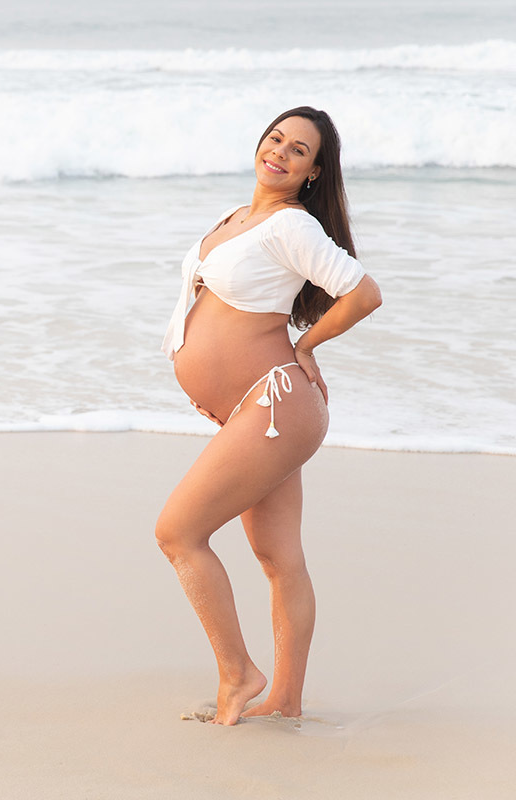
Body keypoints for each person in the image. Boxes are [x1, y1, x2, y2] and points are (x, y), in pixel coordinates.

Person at [156, 106, 383, 725]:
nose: (280, 152)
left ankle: (238, 675)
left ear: (313, 172)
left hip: (276, 403)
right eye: (276, 139)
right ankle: (285, 701)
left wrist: (306, 345)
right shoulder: (237, 218)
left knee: (178, 532)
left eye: (299, 151)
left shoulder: (292, 226)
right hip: (254, 408)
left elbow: (363, 292)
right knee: (280, 559)